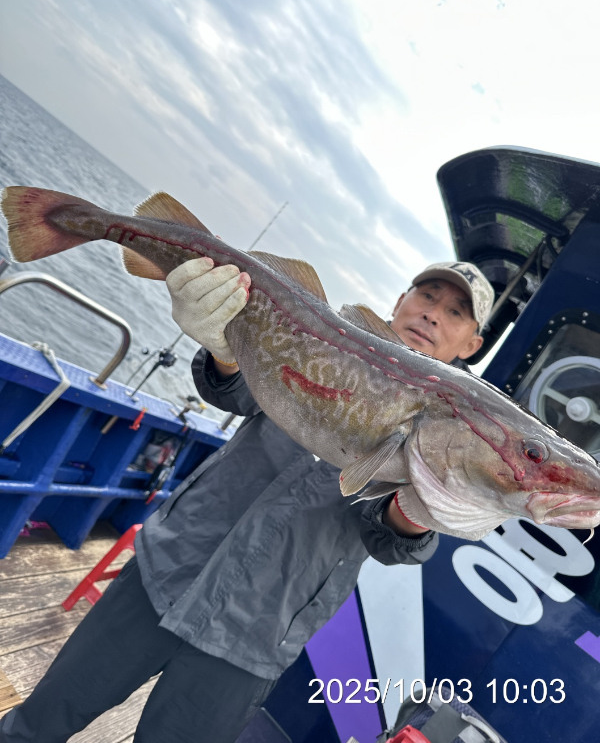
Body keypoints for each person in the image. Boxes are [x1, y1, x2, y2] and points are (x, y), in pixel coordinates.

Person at [0, 259, 495, 743]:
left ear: (471, 345)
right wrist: (227, 347)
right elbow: (233, 390)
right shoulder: (323, 342)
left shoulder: (458, 435)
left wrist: (423, 509)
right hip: (170, 566)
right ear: (401, 299)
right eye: (427, 295)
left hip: (258, 630)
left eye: (455, 312)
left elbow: (387, 536)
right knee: (36, 723)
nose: (432, 314)